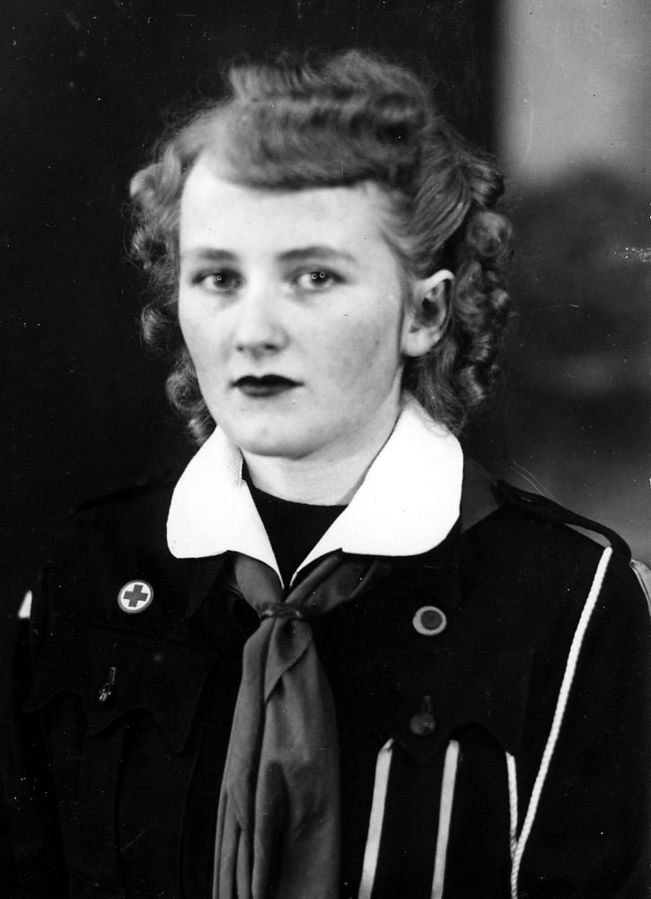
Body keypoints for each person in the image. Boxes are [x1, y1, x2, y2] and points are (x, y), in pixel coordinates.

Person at [2, 49, 649, 899]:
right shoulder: (88, 568)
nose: (253, 329)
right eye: (217, 277)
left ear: (425, 311)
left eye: (312, 276)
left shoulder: (575, 598)